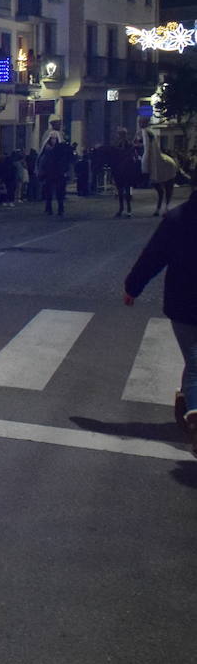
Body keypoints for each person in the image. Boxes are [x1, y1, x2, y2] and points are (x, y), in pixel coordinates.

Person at [123, 190, 197, 455]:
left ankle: (194, 410)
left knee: (195, 361)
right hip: (185, 304)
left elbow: (153, 256)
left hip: (184, 303)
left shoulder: (178, 218)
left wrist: (133, 286)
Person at [137, 116, 178, 215]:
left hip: (150, 155)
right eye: (139, 122)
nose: (140, 124)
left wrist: (138, 146)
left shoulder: (147, 132)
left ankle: (165, 206)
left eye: (141, 122)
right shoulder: (143, 132)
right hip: (143, 152)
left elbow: (147, 146)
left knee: (144, 164)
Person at [37, 135, 72, 216]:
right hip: (48, 162)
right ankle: (41, 173)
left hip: (59, 170)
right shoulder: (47, 146)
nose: (54, 140)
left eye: (55, 139)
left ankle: (60, 207)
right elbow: (45, 153)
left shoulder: (59, 147)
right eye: (52, 139)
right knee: (43, 160)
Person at [108, 128, 137, 218]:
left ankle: (129, 209)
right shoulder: (118, 143)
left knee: (127, 189)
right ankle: (121, 208)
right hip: (120, 165)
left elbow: (130, 153)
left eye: (120, 134)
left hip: (128, 165)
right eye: (119, 134)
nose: (119, 136)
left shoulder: (128, 143)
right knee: (120, 190)